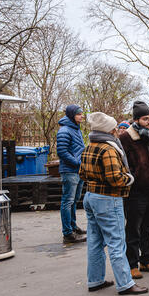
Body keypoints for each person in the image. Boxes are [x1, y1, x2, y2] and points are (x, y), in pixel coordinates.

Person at [79, 112, 148, 296]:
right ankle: (125, 283)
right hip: (108, 199)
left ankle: (95, 280)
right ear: (108, 130)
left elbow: (82, 174)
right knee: (117, 242)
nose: (117, 130)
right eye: (114, 127)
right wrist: (130, 178)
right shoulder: (108, 149)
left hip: (91, 196)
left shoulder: (89, 147)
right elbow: (115, 178)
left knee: (95, 241)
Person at [119, 101, 149, 279]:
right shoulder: (126, 137)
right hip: (136, 190)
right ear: (136, 120)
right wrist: (135, 176)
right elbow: (122, 164)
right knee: (133, 228)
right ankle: (132, 264)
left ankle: (147, 260)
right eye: (145, 118)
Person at [56, 104, 87, 244]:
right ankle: (68, 233)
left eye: (82, 113)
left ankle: (73, 227)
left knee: (74, 201)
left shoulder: (76, 129)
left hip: (78, 170)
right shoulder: (65, 131)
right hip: (70, 171)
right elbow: (62, 152)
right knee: (67, 201)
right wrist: (77, 163)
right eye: (79, 114)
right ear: (72, 115)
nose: (82, 116)